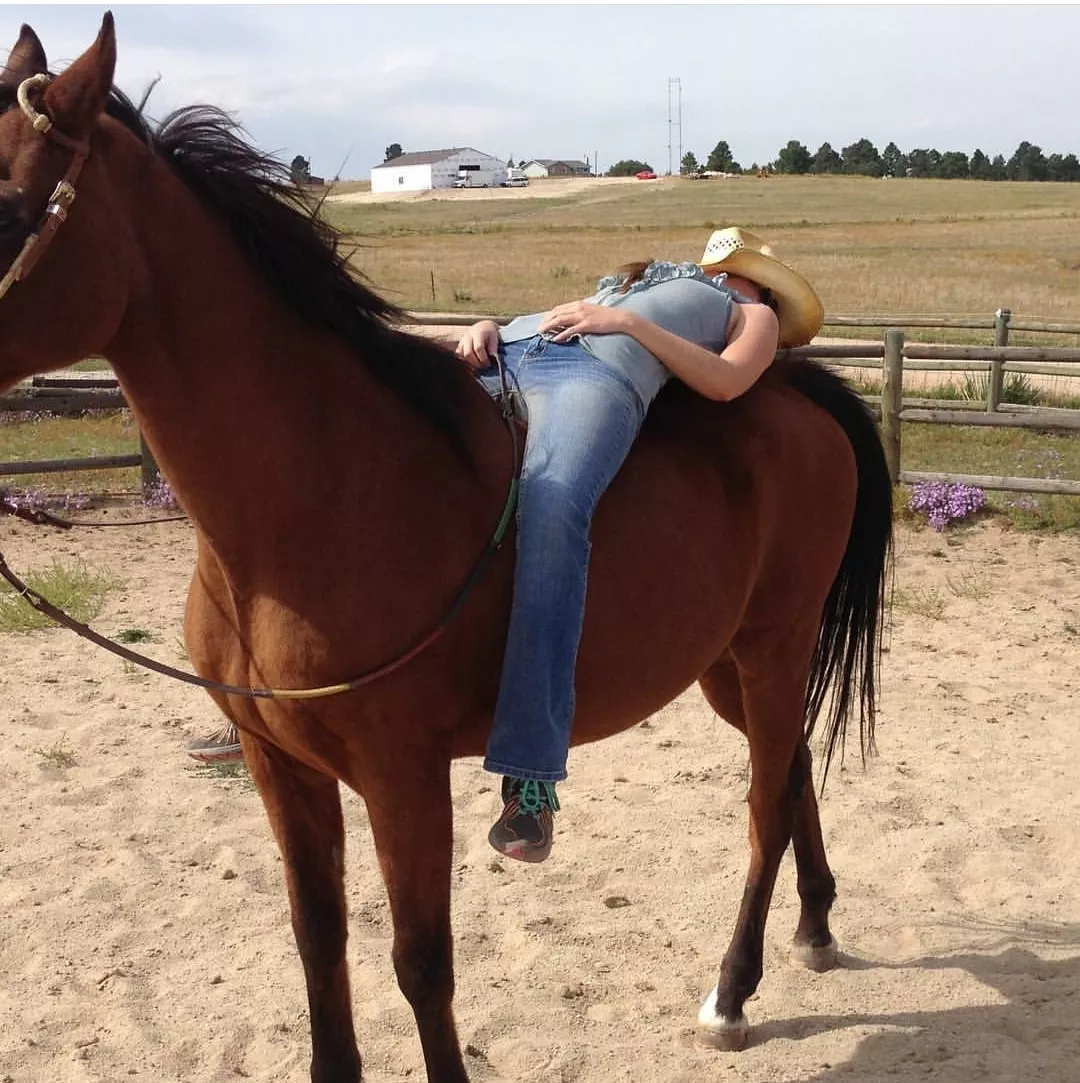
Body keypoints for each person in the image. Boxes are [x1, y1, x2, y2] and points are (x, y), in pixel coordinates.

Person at [455, 226, 824, 863]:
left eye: (733, 269)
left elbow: (726, 383)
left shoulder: (752, 314)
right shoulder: (639, 279)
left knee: (554, 506)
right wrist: (490, 323)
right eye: (716, 264)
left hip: (596, 375)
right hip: (513, 350)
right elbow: (563, 315)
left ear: (760, 283)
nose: (718, 274)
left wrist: (628, 326)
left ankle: (532, 776)